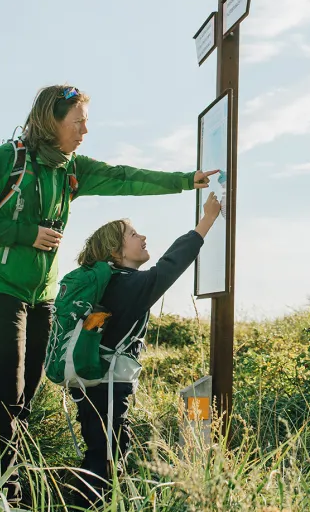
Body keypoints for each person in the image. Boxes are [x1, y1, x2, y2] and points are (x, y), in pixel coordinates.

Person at [0, 84, 216, 504]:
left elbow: (124, 178)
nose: (85, 131)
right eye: (78, 122)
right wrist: (26, 233)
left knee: (22, 398)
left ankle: (1, 486)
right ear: (50, 121)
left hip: (39, 297)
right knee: (3, 394)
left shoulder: (71, 169)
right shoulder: (3, 160)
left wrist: (185, 180)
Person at [67, 191, 223, 506]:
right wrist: (206, 221)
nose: (143, 237)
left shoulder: (113, 283)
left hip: (95, 381)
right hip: (107, 385)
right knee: (106, 457)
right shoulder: (126, 285)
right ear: (115, 250)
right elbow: (170, 266)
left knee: (105, 452)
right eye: (133, 234)